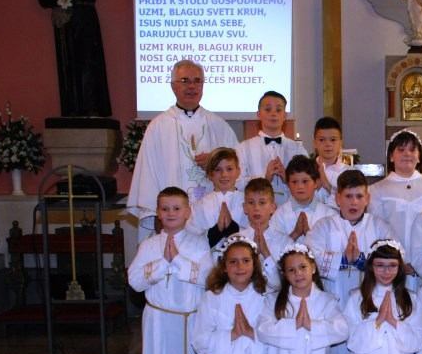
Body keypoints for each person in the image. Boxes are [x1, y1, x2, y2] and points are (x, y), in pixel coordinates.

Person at [127, 187, 212, 354]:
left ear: (188, 212)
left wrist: (178, 261)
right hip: (160, 322)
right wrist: (163, 263)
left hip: (190, 321)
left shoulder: (199, 244)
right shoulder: (149, 246)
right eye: (165, 209)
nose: (171, 213)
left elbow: (209, 279)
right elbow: (134, 281)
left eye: (177, 208)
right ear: (158, 213)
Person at [127, 60, 238, 241]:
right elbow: (148, 174)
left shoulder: (219, 126)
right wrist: (155, 214)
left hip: (212, 217)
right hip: (172, 217)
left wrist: (215, 161)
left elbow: (237, 169)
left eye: (197, 81)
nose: (192, 86)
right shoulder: (158, 126)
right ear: (173, 86)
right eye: (185, 80)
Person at [306, 169, 396, 354]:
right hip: (334, 297)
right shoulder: (323, 226)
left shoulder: (380, 227)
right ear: (338, 199)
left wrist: (362, 261)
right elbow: (310, 258)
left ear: (367, 199)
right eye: (348, 196)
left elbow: (395, 258)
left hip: (369, 301)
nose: (353, 202)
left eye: (359, 196)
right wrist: (344, 259)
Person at [33, 0, 111, 117]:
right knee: (68, 65)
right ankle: (72, 108)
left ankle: (92, 106)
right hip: (66, 24)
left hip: (86, 23)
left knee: (89, 63)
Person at [369, 130, 422, 289]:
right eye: (401, 150)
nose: (407, 154)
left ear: (419, 156)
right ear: (391, 156)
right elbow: (378, 230)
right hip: (392, 266)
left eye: (412, 150)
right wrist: (399, 259)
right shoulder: (377, 189)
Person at [236, 91, 306, 206]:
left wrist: (288, 178)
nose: (273, 114)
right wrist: (264, 178)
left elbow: (308, 181)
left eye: (278, 110)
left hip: (291, 210)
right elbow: (237, 183)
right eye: (268, 109)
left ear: (285, 115)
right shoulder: (243, 148)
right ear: (258, 114)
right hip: (257, 211)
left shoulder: (298, 149)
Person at [234, 178, 291, 294]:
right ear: (245, 208)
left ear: (273, 207)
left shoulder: (285, 243)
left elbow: (284, 284)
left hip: (273, 302)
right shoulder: (235, 241)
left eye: (262, 203)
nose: (256, 208)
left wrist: (266, 253)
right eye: (251, 203)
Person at [187, 148, 247, 253]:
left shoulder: (248, 202)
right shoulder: (200, 206)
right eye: (218, 170)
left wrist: (233, 229)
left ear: (238, 171)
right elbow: (192, 236)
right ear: (210, 174)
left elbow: (255, 231)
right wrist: (215, 232)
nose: (224, 174)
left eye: (229, 169)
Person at [268, 155, 336, 244]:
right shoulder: (280, 214)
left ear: (316, 183)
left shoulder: (329, 215)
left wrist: (309, 234)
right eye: (294, 182)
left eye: (305, 181)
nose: (300, 186)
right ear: (288, 184)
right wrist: (295, 233)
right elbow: (273, 247)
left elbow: (333, 246)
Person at [311, 117, 350, 209]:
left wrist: (327, 186)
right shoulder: (306, 170)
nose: (328, 144)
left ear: (340, 143)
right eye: (322, 140)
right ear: (314, 143)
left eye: (333, 140)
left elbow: (351, 204)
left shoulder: (349, 173)